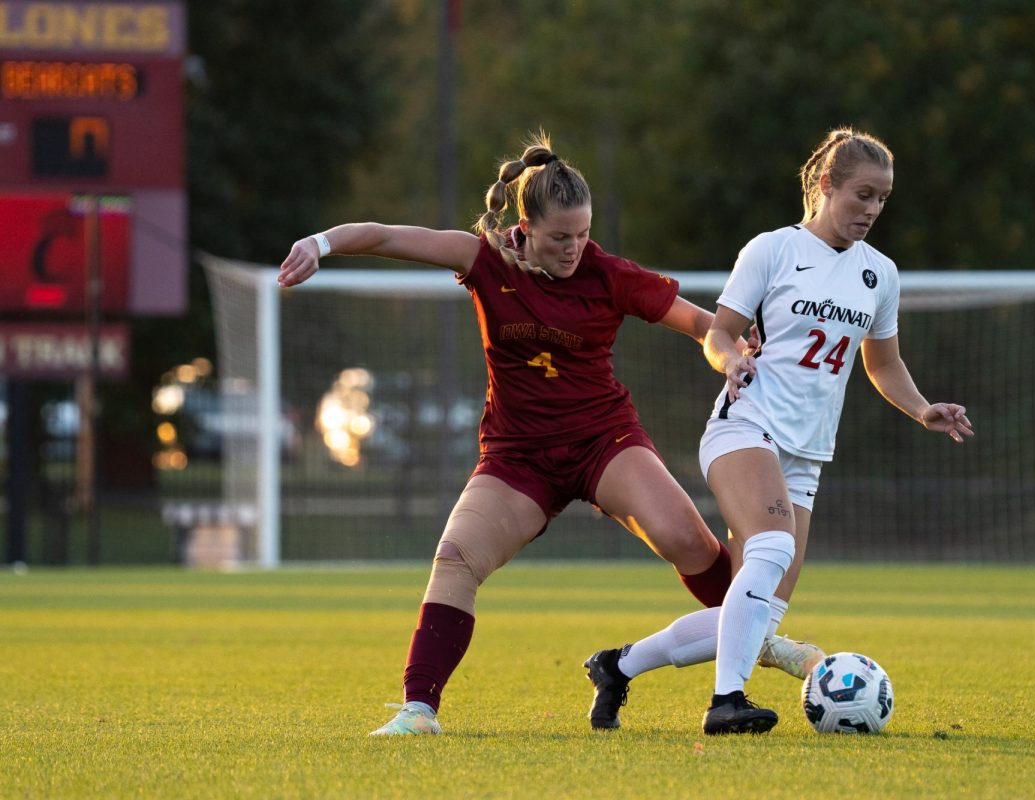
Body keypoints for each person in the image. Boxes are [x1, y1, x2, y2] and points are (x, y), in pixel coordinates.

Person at [277, 132, 805, 737]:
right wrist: (320, 243)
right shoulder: (484, 259)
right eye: (560, 237)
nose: (575, 248)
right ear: (524, 227)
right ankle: (418, 710)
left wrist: (733, 353)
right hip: (518, 457)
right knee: (454, 560)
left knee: (686, 540)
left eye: (583, 234)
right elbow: (386, 235)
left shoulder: (608, 274)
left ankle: (759, 640)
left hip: (603, 442)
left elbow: (699, 324)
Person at [583, 127, 974, 736]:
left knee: (755, 618)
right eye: (862, 195)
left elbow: (883, 363)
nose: (871, 210)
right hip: (745, 425)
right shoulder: (773, 250)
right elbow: (719, 331)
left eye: (882, 199)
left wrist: (923, 409)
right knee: (772, 548)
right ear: (825, 186)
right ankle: (726, 703)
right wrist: (730, 359)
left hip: (806, 453)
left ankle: (618, 666)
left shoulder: (880, 275)